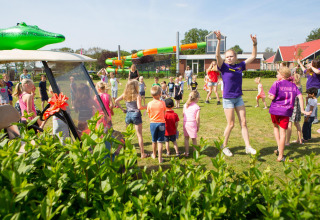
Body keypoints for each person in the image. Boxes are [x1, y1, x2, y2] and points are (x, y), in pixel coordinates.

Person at [214, 30, 257, 156]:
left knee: (243, 122)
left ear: (235, 57)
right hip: (228, 98)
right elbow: (217, 57)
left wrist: (254, 44)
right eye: (227, 57)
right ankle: (223, 146)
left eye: (231, 56)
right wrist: (218, 41)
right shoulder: (223, 67)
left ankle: (248, 146)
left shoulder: (239, 66)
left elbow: (253, 57)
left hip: (238, 98)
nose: (229, 58)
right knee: (231, 124)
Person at [268, 67, 309, 162]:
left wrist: (269, 96)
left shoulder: (276, 83)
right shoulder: (293, 85)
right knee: (283, 134)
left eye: (277, 74)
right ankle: (280, 155)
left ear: (282, 76)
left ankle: (279, 150)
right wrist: (302, 110)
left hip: (275, 110)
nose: (276, 76)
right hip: (286, 112)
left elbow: (272, 96)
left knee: (275, 128)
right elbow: (300, 96)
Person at [115, 80, 149, 158]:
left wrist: (122, 109)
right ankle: (142, 154)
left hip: (128, 115)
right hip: (136, 115)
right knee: (139, 135)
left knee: (127, 135)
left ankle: (125, 151)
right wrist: (146, 106)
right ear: (135, 87)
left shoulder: (125, 94)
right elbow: (139, 107)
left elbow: (116, 101)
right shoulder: (137, 95)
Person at [147, 86, 166, 163]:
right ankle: (160, 158)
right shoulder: (162, 103)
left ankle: (154, 154)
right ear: (160, 94)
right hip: (161, 123)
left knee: (154, 140)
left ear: (152, 95)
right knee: (160, 141)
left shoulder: (149, 104)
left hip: (153, 123)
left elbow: (149, 114)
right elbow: (164, 113)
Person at [297, 59, 320, 124]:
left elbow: (318, 72)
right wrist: (300, 63)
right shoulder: (310, 71)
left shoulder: (318, 69)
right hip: (309, 90)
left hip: (315, 89)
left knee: (312, 103)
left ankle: (314, 118)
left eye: (311, 62)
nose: (310, 63)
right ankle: (309, 115)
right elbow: (304, 70)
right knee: (310, 103)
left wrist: (311, 67)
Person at [285, 74, 303, 145]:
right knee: (297, 124)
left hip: (292, 108)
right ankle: (299, 140)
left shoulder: (294, 87)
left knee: (289, 124)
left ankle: (287, 142)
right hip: (297, 108)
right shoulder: (300, 87)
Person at [183, 91, 201, 157]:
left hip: (185, 123)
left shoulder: (185, 105)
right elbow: (197, 118)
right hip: (192, 123)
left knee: (186, 138)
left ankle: (187, 152)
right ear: (196, 98)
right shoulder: (197, 107)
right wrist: (198, 126)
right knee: (194, 139)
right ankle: (195, 153)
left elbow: (183, 114)